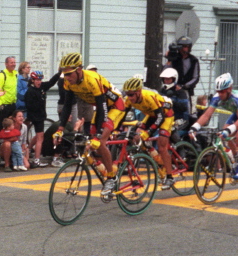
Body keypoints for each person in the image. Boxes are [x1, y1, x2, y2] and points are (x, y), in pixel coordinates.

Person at [54, 52, 126, 197]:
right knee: (90, 143)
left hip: (114, 106)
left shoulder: (92, 80)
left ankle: (111, 178)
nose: (67, 78)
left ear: (79, 70)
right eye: (64, 74)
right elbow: (67, 106)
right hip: (99, 107)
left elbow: (102, 107)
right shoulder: (68, 82)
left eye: (69, 74)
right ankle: (104, 168)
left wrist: (99, 134)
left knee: (100, 141)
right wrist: (60, 129)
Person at [188, 73, 238, 181]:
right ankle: (236, 158)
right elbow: (206, 115)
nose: (220, 94)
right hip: (236, 113)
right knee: (223, 134)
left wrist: (229, 130)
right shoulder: (216, 98)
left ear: (229, 89)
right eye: (218, 91)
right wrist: (195, 127)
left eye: (222, 91)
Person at [122, 77, 175, 189]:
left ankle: (170, 178)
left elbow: (160, 118)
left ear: (139, 92)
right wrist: (115, 128)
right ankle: (154, 154)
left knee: (162, 146)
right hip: (151, 115)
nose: (129, 97)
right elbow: (121, 116)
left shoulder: (149, 97)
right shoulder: (128, 100)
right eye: (127, 94)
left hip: (165, 115)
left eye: (131, 94)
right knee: (137, 137)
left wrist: (149, 132)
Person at [25, 70, 59, 167]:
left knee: (39, 135)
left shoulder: (42, 87)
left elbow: (51, 83)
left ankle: (29, 148)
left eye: (40, 80)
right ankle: (37, 160)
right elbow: (30, 106)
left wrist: (58, 73)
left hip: (40, 116)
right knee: (40, 138)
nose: (39, 82)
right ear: (32, 80)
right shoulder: (30, 91)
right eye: (36, 80)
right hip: (36, 116)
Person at [0, 56, 18, 128]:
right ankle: (0, 139)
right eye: (11, 62)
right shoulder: (2, 76)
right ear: (6, 64)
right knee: (2, 127)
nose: (13, 64)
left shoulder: (15, 75)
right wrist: (0, 105)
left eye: (14, 62)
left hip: (12, 105)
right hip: (3, 106)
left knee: (12, 127)